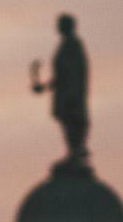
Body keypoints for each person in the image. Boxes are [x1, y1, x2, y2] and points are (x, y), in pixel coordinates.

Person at [30, 13, 90, 163]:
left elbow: (72, 72)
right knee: (67, 121)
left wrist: (72, 93)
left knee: (72, 120)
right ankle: (73, 152)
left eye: (61, 24)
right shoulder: (66, 45)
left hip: (71, 93)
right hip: (66, 92)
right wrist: (45, 87)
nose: (58, 27)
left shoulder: (73, 45)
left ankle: (75, 152)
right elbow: (61, 74)